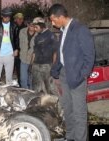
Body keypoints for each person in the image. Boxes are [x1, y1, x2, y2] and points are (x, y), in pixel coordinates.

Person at [48, 4, 95, 141]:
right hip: (64, 75)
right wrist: (55, 71)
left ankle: (80, 138)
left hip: (77, 77)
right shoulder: (63, 31)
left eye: (53, 20)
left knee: (79, 112)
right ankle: (70, 137)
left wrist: (83, 75)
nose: (52, 23)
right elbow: (61, 54)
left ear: (61, 17)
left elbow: (89, 56)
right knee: (68, 109)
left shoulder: (80, 29)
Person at [0, 7, 18, 84]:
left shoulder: (14, 26)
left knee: (9, 79)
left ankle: (9, 94)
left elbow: (16, 39)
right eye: (5, 16)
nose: (7, 18)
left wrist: (16, 49)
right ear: (2, 16)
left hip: (10, 55)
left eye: (8, 16)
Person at [30, 17, 58, 94]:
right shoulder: (37, 37)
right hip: (36, 65)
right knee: (36, 88)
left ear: (42, 26)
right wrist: (31, 64)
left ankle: (52, 104)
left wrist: (53, 65)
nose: (35, 29)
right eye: (34, 27)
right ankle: (39, 103)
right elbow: (34, 52)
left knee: (49, 87)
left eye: (36, 27)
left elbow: (55, 52)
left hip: (47, 65)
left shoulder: (51, 35)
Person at [19, 19, 36, 89]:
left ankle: (31, 93)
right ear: (28, 25)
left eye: (33, 25)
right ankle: (24, 91)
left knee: (31, 79)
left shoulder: (38, 34)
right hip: (23, 59)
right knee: (23, 78)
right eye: (30, 24)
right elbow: (20, 43)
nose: (31, 26)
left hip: (33, 60)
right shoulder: (22, 31)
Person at [14, 13, 26, 86]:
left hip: (22, 52)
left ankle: (22, 84)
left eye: (21, 18)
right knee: (17, 69)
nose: (20, 20)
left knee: (22, 69)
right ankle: (19, 83)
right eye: (18, 18)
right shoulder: (13, 27)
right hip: (14, 51)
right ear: (15, 19)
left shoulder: (25, 28)